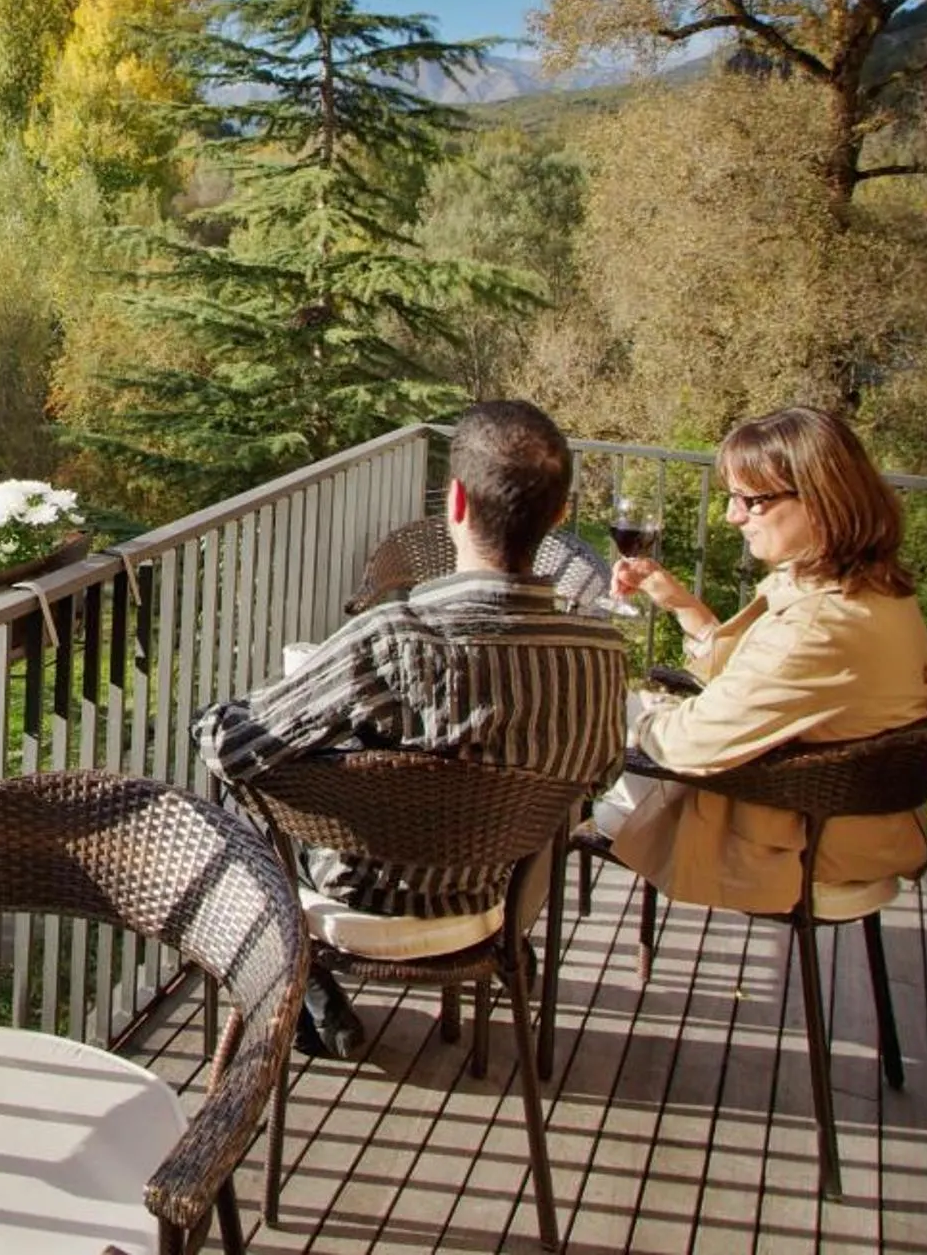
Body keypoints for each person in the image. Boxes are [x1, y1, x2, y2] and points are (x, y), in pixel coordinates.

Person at [196, 401, 630, 1051]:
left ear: (454, 502)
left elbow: (234, 748)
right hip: (499, 892)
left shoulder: (395, 636)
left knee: (230, 812)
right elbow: (602, 774)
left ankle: (305, 982)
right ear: (561, 515)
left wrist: (223, 715)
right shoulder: (600, 655)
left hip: (362, 893)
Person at [606, 406, 927, 916]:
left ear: (820, 500)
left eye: (751, 500)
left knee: (567, 759)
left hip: (800, 841)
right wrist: (683, 606)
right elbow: (767, 680)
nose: (731, 515)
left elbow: (687, 745)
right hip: (857, 826)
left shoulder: (819, 625)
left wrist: (635, 719)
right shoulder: (874, 592)